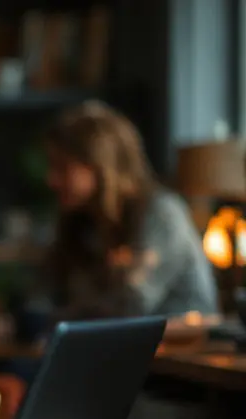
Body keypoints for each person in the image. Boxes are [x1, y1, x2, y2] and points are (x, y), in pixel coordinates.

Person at [44, 100, 219, 320]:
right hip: (117, 348)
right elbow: (60, 296)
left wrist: (48, 321)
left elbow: (131, 304)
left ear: (100, 166)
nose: (51, 180)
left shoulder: (161, 214)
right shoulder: (84, 225)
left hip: (184, 350)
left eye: (63, 167)